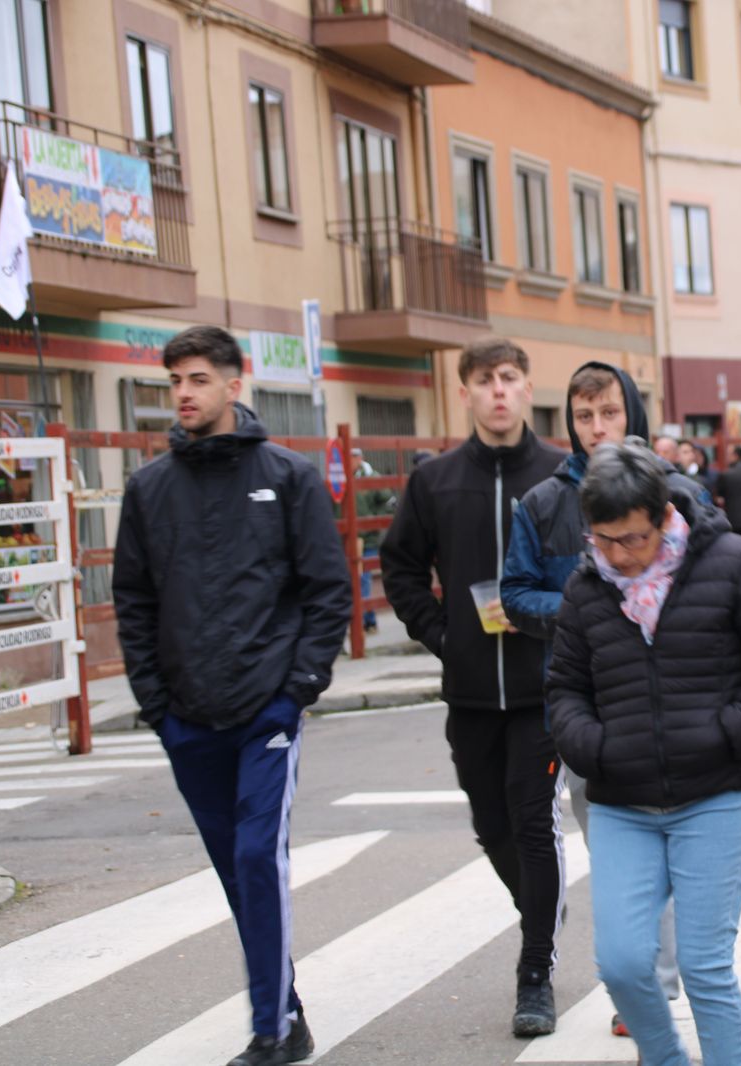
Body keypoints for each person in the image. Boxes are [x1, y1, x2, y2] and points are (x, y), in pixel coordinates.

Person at [113, 326, 351, 1066]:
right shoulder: (148, 489)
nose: (183, 393)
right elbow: (134, 601)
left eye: (197, 379)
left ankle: (272, 1033)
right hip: (188, 719)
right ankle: (287, 1009)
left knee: (257, 858)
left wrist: (297, 692)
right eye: (174, 381)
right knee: (235, 871)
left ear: (232, 384)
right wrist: (158, 706)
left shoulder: (285, 477)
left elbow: (327, 589)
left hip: (265, 714)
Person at [546, 443, 741, 1066]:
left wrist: (730, 732)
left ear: (664, 517)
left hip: (716, 796)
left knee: (705, 966)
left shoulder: (736, 563)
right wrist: (595, 746)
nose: (617, 555)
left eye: (631, 539)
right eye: (602, 540)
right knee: (622, 961)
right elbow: (564, 690)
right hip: (622, 803)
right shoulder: (587, 589)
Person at [501, 361, 711, 1035]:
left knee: (671, 852)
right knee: (617, 853)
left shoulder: (679, 491)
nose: (598, 429)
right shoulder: (542, 504)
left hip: (674, 704)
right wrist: (581, 609)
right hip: (591, 708)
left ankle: (650, 987)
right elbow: (514, 592)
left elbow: (720, 577)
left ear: (634, 416)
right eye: (585, 416)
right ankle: (640, 980)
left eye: (610, 414)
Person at [379, 338, 568, 1036]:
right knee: (492, 829)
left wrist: (557, 626)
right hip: (468, 691)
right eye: (484, 380)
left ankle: (535, 972)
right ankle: (541, 908)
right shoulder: (435, 481)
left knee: (531, 822)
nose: (497, 392)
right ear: (465, 392)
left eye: (509, 378)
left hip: (543, 687)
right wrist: (441, 634)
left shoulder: (558, 474)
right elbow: (398, 566)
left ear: (526, 387)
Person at [351, 447, 395, 634]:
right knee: (352, 580)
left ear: (361, 458)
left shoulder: (371, 477)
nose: (352, 460)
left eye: (354, 456)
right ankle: (362, 621)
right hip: (347, 539)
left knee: (364, 579)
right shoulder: (340, 476)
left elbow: (389, 503)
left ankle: (367, 621)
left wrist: (374, 522)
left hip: (367, 538)